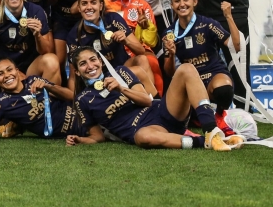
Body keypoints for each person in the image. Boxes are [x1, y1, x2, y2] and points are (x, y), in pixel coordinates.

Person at [66, 46, 242, 150]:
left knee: (187, 69)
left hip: (162, 112)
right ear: (76, 71)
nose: (90, 66)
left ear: (101, 61)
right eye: (83, 64)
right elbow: (98, 136)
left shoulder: (120, 72)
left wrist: (122, 89)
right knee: (144, 137)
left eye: (93, 60)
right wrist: (80, 140)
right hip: (145, 130)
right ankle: (208, 142)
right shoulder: (82, 100)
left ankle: (211, 129)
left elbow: (147, 100)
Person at [162, 0, 241, 132]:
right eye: (177, 1)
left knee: (224, 89)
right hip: (191, 83)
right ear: (172, 5)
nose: (182, 4)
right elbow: (170, 73)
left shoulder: (208, 24)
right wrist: (171, 54)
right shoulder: (169, 33)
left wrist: (229, 16)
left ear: (195, 2)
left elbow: (236, 46)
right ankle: (197, 117)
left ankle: (219, 115)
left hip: (213, 75)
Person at [67, 0, 157, 95]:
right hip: (98, 80)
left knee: (142, 59)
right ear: (79, 8)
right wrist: (74, 101)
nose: (89, 7)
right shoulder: (74, 35)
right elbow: (73, 76)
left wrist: (126, 41)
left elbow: (141, 51)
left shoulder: (113, 19)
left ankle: (151, 101)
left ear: (100, 6)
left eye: (93, 3)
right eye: (84, 3)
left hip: (123, 70)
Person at [0, 56, 79, 142]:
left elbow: (71, 96)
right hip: (72, 133)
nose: (7, 75)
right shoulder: (0, 103)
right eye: (0, 74)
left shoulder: (33, 80)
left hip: (82, 116)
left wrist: (49, 86)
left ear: (17, 71)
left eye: (9, 70)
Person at [102, 0, 163, 95]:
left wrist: (146, 26)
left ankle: (156, 102)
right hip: (111, 52)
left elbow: (151, 42)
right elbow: (82, 7)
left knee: (151, 60)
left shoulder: (142, 5)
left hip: (135, 53)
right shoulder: (102, 2)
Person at [0, 0, 59, 82]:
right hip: (7, 68)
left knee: (52, 60)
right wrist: (12, 71)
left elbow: (46, 51)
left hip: (31, 66)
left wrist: (37, 35)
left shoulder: (36, 12)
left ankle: (48, 97)